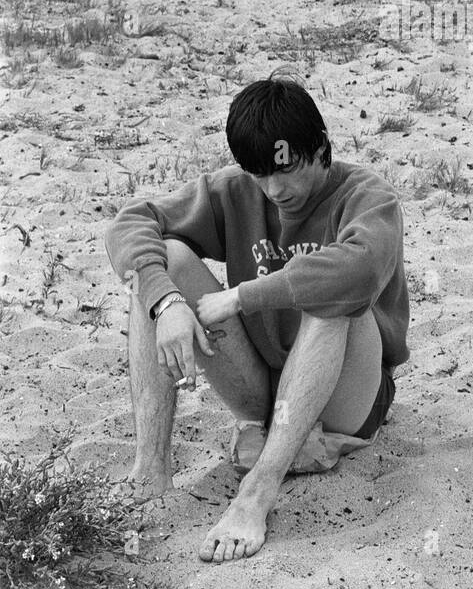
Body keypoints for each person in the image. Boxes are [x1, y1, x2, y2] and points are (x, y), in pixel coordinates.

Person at [104, 74, 409, 563]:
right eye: (260, 174)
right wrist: (167, 303)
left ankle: (258, 492)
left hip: (347, 393)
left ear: (321, 148)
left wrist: (244, 296)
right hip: (266, 387)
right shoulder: (240, 189)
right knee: (165, 262)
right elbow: (131, 221)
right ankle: (151, 471)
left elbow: (362, 267)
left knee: (332, 297)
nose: (274, 188)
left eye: (285, 170)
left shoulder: (368, 197)